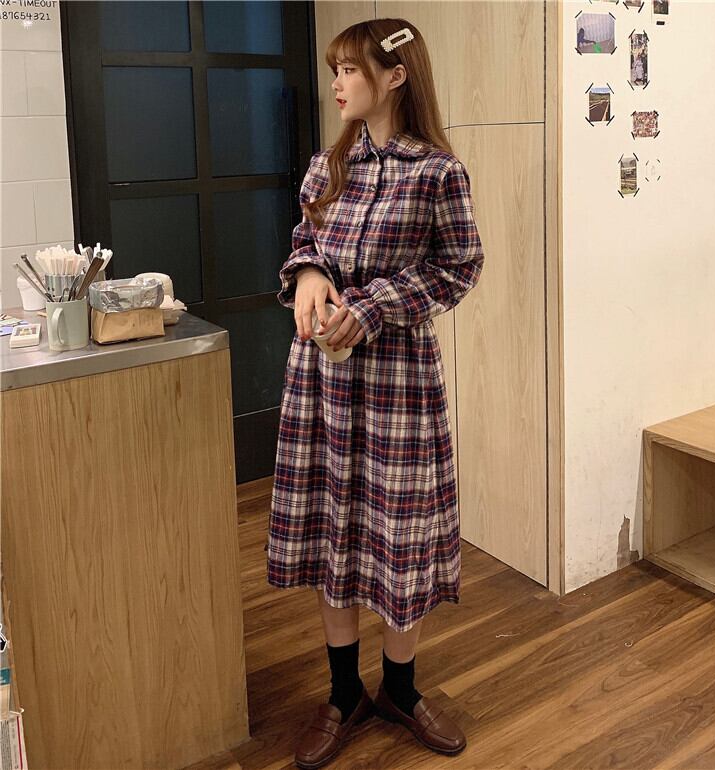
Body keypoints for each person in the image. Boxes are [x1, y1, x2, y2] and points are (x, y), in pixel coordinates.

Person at [267, 18, 484, 769]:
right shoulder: (327, 167)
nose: (336, 83)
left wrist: (373, 306)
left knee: (400, 534)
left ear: (394, 76)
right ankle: (343, 694)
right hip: (323, 381)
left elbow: (459, 268)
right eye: (334, 69)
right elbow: (305, 240)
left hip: (397, 384)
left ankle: (399, 689)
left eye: (350, 69)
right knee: (334, 527)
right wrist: (309, 273)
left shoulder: (438, 173)